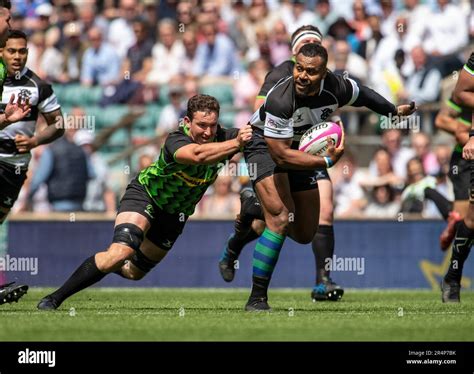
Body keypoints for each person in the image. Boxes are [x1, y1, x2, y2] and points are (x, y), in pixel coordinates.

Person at [238, 43, 416, 311]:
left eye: (310, 71)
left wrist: (391, 111)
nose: (301, 76)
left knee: (305, 232)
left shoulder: (337, 87)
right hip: (263, 145)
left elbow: (365, 95)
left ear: (323, 73)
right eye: (299, 68)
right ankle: (257, 298)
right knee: (280, 219)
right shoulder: (281, 99)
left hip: (298, 149)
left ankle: (254, 205)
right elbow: (281, 156)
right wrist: (326, 161)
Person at [37, 95, 252, 310]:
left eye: (213, 126)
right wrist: (236, 144)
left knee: (133, 273)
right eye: (202, 125)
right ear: (187, 122)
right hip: (145, 195)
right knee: (121, 253)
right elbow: (198, 156)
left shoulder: (224, 137)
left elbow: (262, 137)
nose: (207, 132)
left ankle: (105, 262)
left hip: (175, 215)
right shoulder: (176, 140)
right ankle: (54, 298)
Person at [221, 25, 350, 302]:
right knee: (276, 219)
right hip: (280, 151)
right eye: (306, 43)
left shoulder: (329, 78)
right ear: (295, 51)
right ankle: (266, 284)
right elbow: (262, 113)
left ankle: (322, 280)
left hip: (309, 149)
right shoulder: (280, 75)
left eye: (316, 42)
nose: (311, 46)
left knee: (311, 223)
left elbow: (349, 100)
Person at [0, 29, 64, 304]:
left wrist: (36, 139)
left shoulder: (38, 86)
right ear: (1, 52)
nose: (17, 56)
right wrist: (5, 120)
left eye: (22, 51)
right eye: (11, 50)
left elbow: (58, 124)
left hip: (15, 167)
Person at [441, 52, 474, 302]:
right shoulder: (463, 100)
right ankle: (453, 277)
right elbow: (452, 121)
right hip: (462, 161)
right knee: (471, 220)